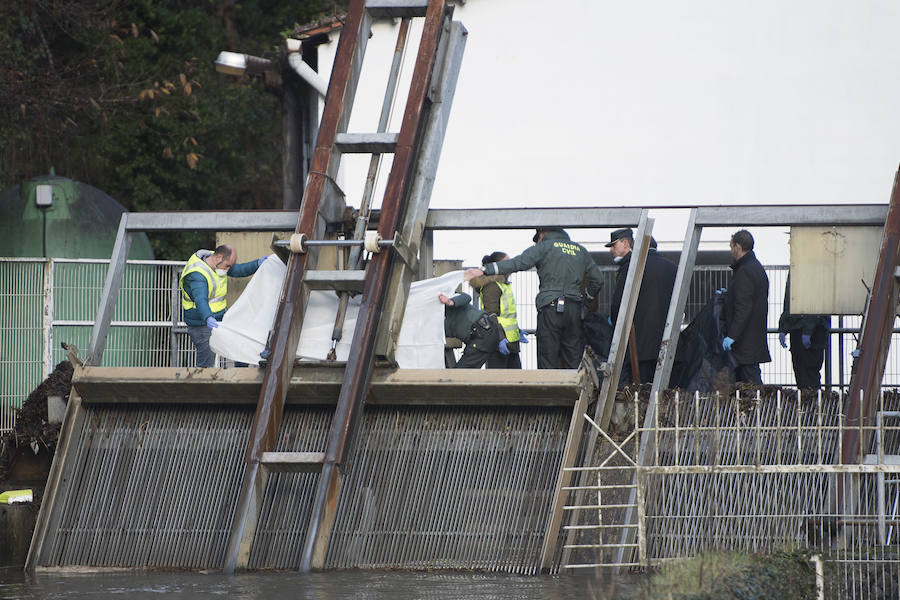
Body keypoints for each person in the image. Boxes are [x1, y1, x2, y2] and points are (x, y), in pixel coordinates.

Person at [465, 227, 603, 369]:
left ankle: (547, 390)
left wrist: (484, 270)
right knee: (573, 358)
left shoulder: (544, 247)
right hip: (574, 308)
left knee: (547, 357)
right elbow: (598, 279)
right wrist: (586, 300)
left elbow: (518, 263)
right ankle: (576, 390)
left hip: (550, 307)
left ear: (542, 234)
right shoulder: (580, 250)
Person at [607, 230, 677, 385]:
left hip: (639, 344)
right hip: (667, 343)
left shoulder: (631, 267)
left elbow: (619, 303)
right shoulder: (672, 268)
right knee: (662, 391)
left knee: (640, 391)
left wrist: (614, 324)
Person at [180, 245, 266, 367]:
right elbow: (201, 300)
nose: (228, 269)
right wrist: (208, 317)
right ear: (219, 257)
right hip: (201, 324)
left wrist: (257, 263)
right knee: (206, 366)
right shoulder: (197, 274)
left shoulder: (217, 261)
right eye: (227, 266)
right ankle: (201, 384)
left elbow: (238, 270)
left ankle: (240, 379)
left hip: (220, 319)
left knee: (241, 345)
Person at [721, 229, 771, 384]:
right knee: (748, 385)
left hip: (744, 344)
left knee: (750, 386)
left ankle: (759, 409)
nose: (731, 252)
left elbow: (743, 307)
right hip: (751, 341)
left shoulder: (744, 271)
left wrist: (732, 336)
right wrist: (728, 296)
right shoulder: (755, 267)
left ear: (738, 246)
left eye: (731, 247)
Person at [468, 251, 529, 369]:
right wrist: (500, 339)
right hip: (499, 342)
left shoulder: (503, 285)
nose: (510, 266)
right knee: (499, 380)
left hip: (510, 342)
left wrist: (518, 330)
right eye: (506, 263)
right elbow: (491, 315)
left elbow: (506, 315)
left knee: (516, 381)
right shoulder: (492, 286)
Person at [778, 277, 829, 390]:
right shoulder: (797, 267)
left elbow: (817, 302)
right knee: (801, 374)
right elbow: (789, 300)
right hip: (798, 329)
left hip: (812, 332)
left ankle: (813, 404)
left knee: (809, 376)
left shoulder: (813, 268)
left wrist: (808, 330)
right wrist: (783, 327)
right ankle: (809, 403)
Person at [439, 292, 502, 369]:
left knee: (459, 374)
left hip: (483, 335)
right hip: (480, 336)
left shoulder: (450, 299)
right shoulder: (434, 320)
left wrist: (450, 302)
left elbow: (466, 297)